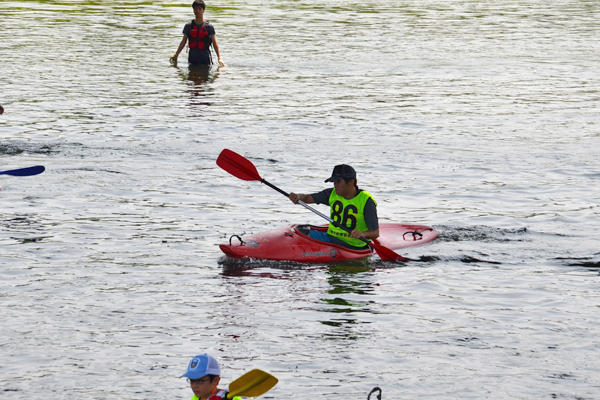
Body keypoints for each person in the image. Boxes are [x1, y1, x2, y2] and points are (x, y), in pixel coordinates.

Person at [289, 164, 379, 250]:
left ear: (351, 182)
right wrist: (298, 197)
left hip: (352, 246)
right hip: (330, 238)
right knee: (301, 233)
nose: (335, 185)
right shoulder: (332, 193)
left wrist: (362, 234)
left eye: (339, 182)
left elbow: (375, 232)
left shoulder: (366, 201)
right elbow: (307, 198)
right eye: (334, 182)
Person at [170, 1, 225, 67]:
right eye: (195, 9)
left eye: (199, 9)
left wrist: (219, 58)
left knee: (205, 76)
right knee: (191, 76)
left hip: (205, 57)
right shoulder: (189, 25)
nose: (197, 11)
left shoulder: (209, 26)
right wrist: (176, 54)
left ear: (203, 11)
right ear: (193, 11)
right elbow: (183, 41)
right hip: (192, 56)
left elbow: (214, 42)